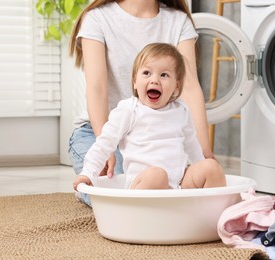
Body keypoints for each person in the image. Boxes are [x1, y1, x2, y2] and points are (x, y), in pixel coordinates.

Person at [68, 0, 215, 205]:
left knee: (202, 171)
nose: (154, 80)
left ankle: (195, 216)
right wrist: (106, 150)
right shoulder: (97, 18)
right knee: (117, 187)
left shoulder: (178, 21)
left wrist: (204, 154)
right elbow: (97, 88)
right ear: (135, 81)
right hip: (100, 132)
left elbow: (189, 87)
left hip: (158, 136)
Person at [73, 43, 226, 191]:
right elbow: (104, 144)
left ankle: (213, 213)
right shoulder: (129, 110)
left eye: (164, 75)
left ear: (176, 86)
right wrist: (88, 173)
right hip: (144, 184)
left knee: (211, 167)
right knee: (157, 176)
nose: (154, 80)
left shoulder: (181, 110)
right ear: (135, 81)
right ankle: (145, 214)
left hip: (178, 184)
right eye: (146, 73)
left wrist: (200, 165)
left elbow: (191, 144)